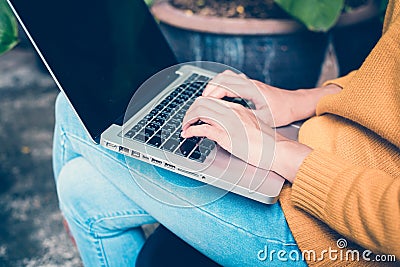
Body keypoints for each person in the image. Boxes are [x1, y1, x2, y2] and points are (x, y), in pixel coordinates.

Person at [53, 0, 400, 266]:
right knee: (82, 188)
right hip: (322, 152)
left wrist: (276, 151)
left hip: (329, 234)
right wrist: (297, 101)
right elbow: (387, 79)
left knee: (73, 113)